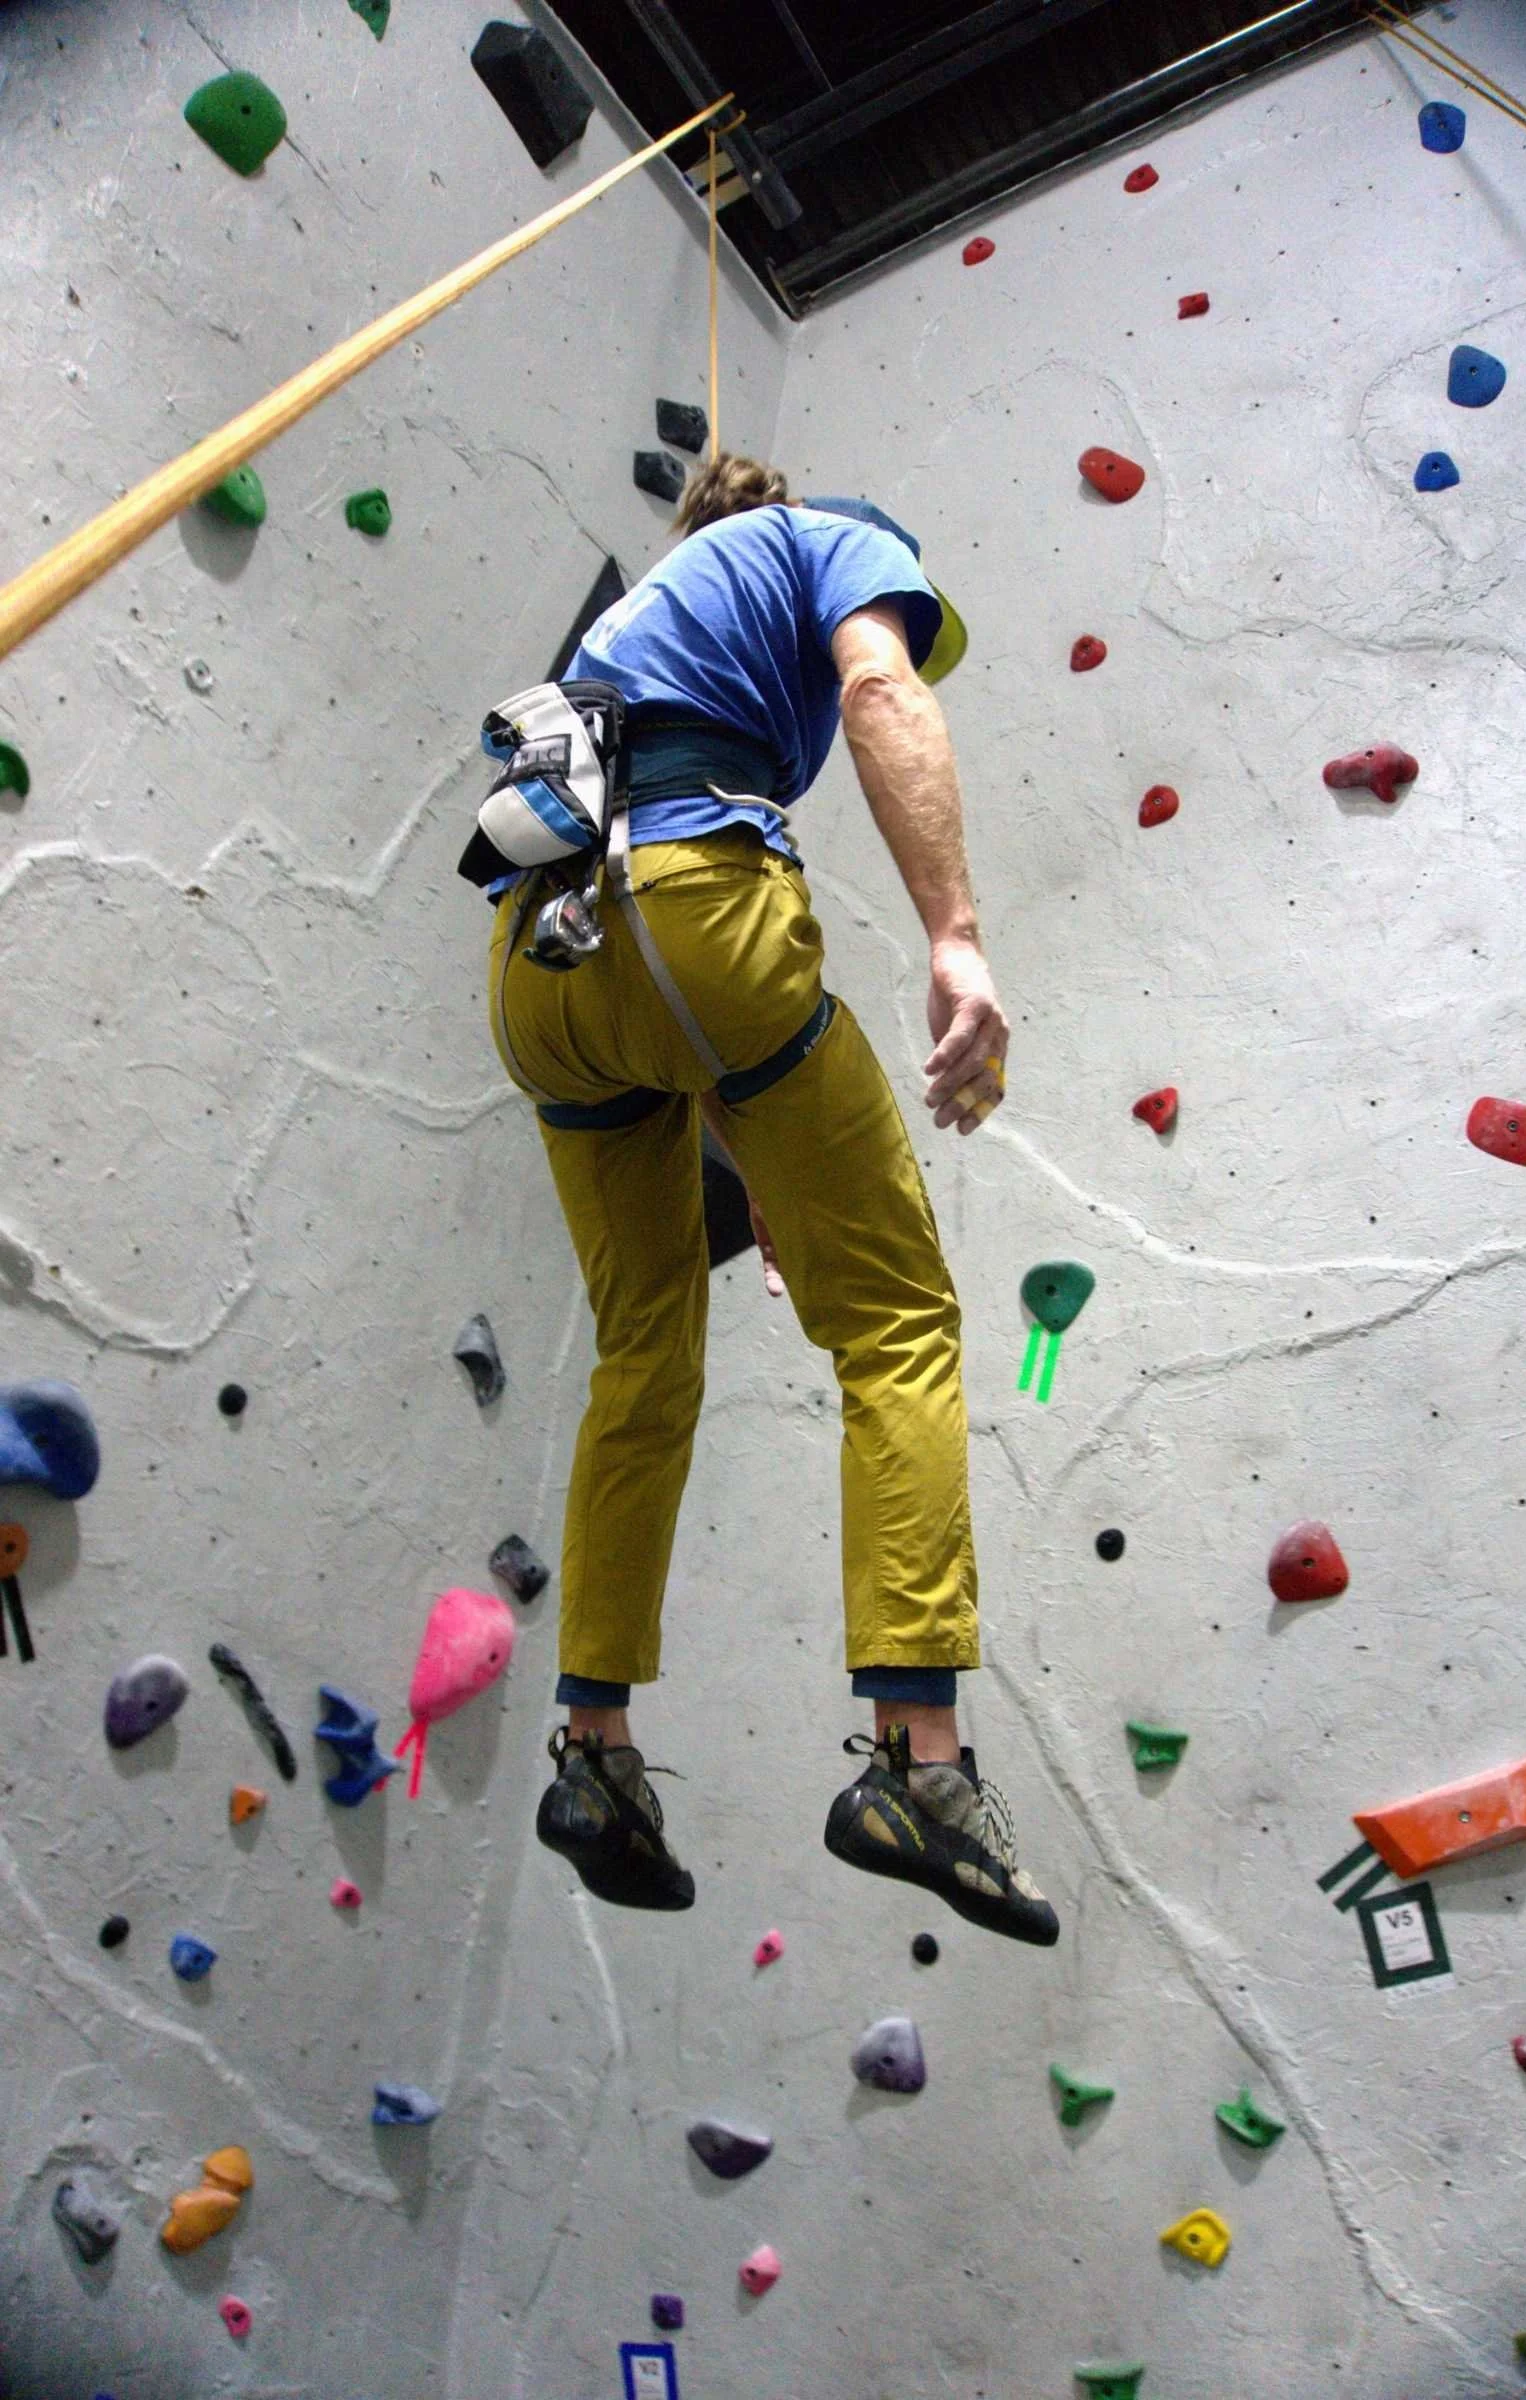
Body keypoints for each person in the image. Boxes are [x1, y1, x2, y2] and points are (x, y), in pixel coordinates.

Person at [483, 455, 1058, 1946]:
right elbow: (879, 694)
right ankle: (917, 1764)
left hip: (538, 965)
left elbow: (681, 1042)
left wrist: (790, 1207)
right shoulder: (843, 541)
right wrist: (960, 940)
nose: (908, 630)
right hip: (691, 899)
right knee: (902, 1329)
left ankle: (595, 1757)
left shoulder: (657, 614)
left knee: (643, 1351)